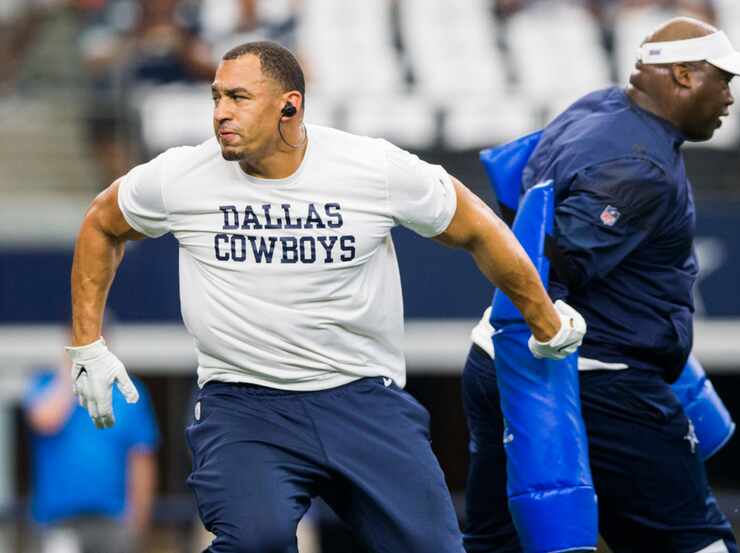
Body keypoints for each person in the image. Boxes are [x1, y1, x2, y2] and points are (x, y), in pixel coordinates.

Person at [65, 41, 586, 553]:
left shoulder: (371, 168)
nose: (221, 113)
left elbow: (478, 226)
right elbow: (101, 223)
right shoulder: (181, 175)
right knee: (255, 543)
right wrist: (88, 344)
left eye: (239, 98)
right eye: (216, 98)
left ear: (289, 106)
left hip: (362, 399)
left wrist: (544, 320)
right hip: (244, 406)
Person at [462, 17, 740, 553]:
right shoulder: (640, 167)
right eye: (725, 80)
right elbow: (557, 264)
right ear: (685, 76)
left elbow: (524, 205)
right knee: (694, 541)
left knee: (496, 545)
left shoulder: (598, 104)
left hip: (493, 355)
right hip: (592, 380)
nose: (730, 98)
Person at [24, 351, 158, 553]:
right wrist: (72, 374)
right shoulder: (46, 383)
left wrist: (137, 521)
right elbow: (45, 420)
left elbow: (141, 458)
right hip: (58, 522)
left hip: (113, 521)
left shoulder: (127, 390)